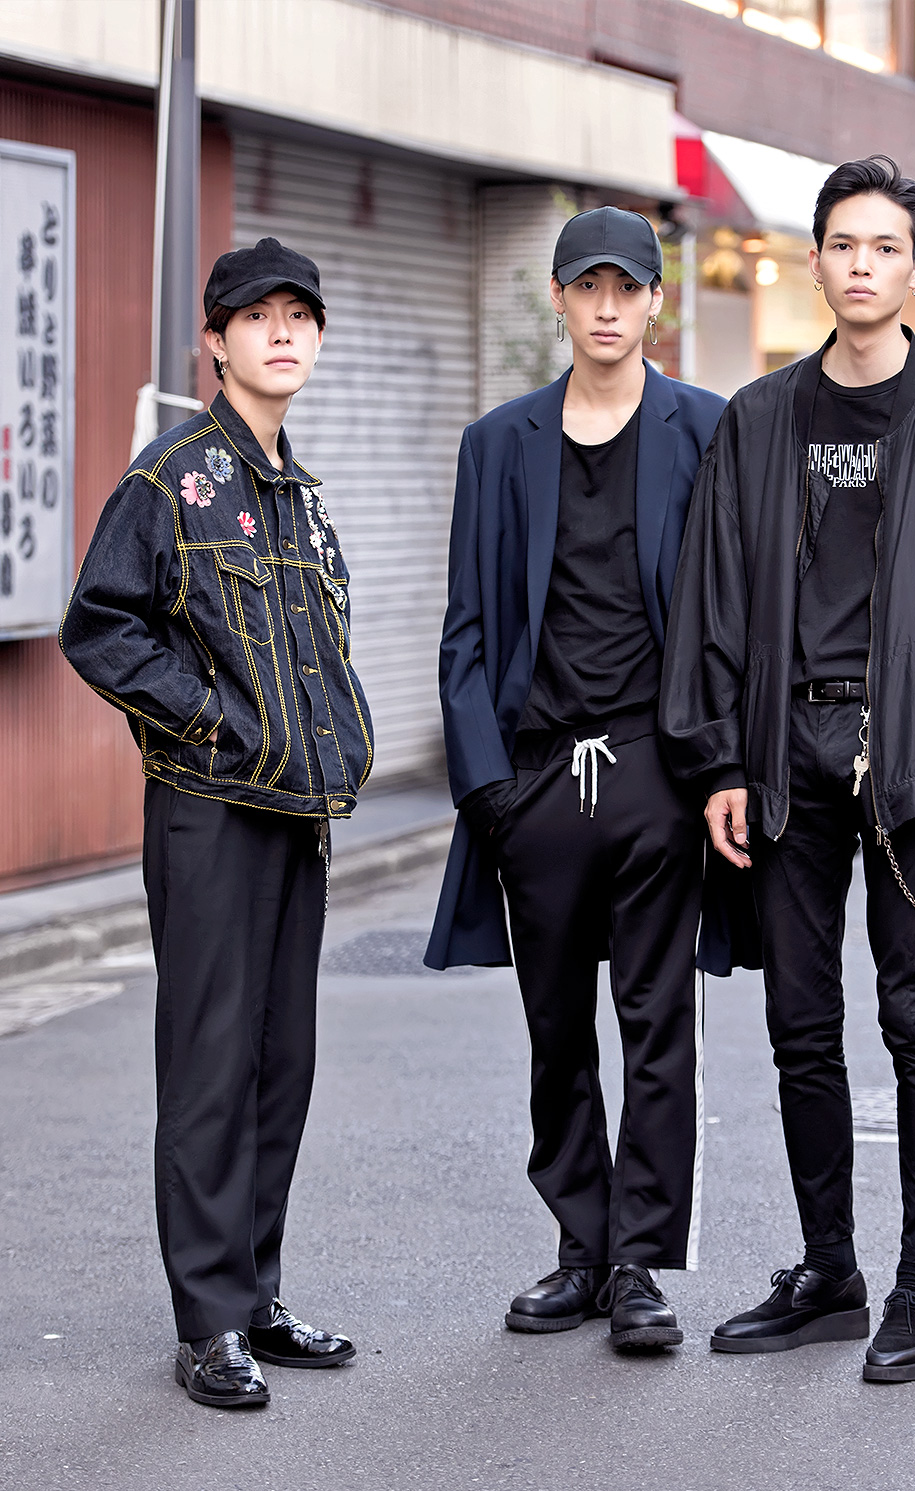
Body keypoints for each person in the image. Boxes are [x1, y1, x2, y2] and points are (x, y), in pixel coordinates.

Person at [660, 156, 915, 1383]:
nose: (862, 265)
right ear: (813, 260)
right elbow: (712, 599)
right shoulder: (760, 420)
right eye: (843, 244)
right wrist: (719, 755)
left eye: (885, 247)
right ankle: (831, 1270)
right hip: (785, 757)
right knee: (798, 1023)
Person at [60, 239, 373, 1407]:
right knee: (207, 1064)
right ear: (218, 340)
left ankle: (254, 1292)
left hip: (296, 817)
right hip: (208, 816)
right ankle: (206, 1321)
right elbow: (100, 627)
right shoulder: (171, 477)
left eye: (303, 317)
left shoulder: (295, 491)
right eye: (260, 317)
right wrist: (209, 723)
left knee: (277, 1066)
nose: (284, 333)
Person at [424, 208, 731, 1350]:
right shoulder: (498, 445)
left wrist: (717, 769)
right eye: (586, 285)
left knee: (658, 1026)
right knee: (557, 1029)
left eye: (628, 287)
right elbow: (465, 631)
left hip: (659, 769)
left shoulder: (705, 428)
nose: (607, 306)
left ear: (657, 303)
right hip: (540, 781)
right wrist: (488, 790)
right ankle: (580, 1248)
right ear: (557, 298)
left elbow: (731, 615)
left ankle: (640, 1268)